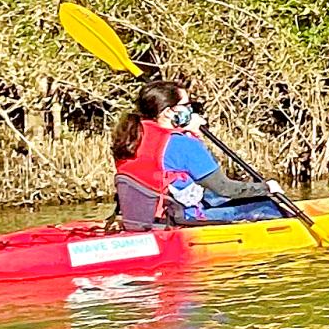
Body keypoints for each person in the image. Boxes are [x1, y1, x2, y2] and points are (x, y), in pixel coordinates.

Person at [110, 81, 286, 228]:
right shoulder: (181, 144)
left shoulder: (130, 136)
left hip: (141, 218)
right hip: (177, 218)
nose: (191, 111)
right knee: (270, 206)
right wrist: (266, 188)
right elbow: (225, 188)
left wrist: (188, 133)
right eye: (187, 106)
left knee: (213, 198)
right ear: (169, 112)